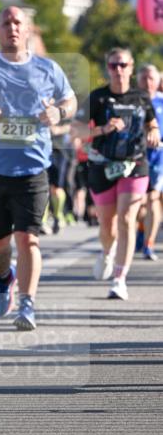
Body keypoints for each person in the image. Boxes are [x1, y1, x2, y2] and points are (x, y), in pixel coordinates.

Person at [0, 6, 77, 330]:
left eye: (18, 22)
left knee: (28, 238)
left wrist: (58, 112)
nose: (12, 27)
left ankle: (27, 303)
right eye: (6, 22)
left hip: (33, 167)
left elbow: (69, 101)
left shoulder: (47, 68)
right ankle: (4, 277)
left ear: (27, 30)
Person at [73, 49, 158, 299]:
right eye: (113, 65)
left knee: (127, 219)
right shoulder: (98, 98)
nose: (118, 69)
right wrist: (103, 129)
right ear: (107, 68)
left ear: (131, 68)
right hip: (102, 165)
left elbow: (151, 122)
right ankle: (107, 252)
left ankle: (120, 279)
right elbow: (76, 131)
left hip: (135, 165)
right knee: (108, 227)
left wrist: (152, 131)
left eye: (123, 65)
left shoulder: (141, 97)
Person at [136, 64, 163, 261]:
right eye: (144, 78)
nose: (148, 82)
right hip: (134, 158)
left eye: (151, 78)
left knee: (153, 198)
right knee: (138, 202)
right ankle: (139, 229)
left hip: (157, 159)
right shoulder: (131, 101)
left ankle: (148, 243)